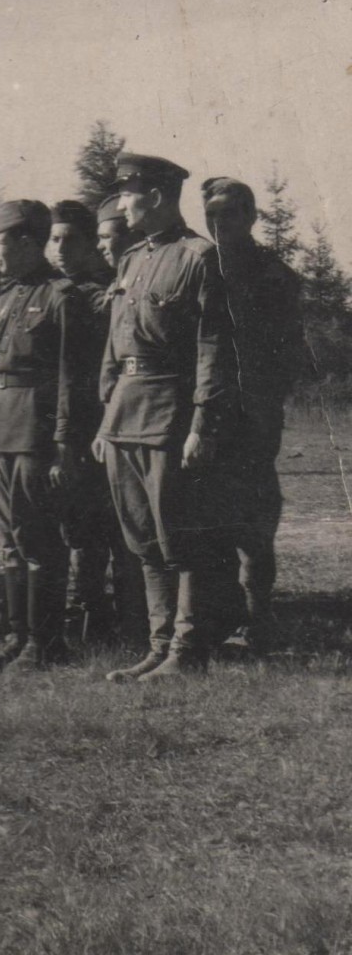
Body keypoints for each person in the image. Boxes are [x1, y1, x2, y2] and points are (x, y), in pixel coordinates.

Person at [96, 154, 237, 681]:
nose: (122, 204)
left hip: (170, 413)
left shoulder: (199, 258)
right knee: (142, 538)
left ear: (154, 196)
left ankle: (188, 649)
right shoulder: (131, 259)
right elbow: (114, 349)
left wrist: (202, 423)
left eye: (129, 194)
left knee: (178, 535)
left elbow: (213, 349)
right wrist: (104, 419)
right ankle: (160, 647)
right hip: (125, 413)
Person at [0, 200, 91, 671]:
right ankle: (17, 636)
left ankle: (46, 642)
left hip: (34, 430)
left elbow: (71, 377)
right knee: (9, 540)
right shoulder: (5, 298)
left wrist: (64, 444)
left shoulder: (62, 296)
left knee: (38, 539)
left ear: (26, 243)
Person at [202, 175, 304, 655]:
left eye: (229, 213)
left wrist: (260, 408)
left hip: (250, 414)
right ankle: (220, 618)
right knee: (207, 518)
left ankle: (258, 619)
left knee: (253, 521)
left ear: (251, 217)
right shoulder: (200, 266)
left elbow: (285, 354)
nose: (219, 223)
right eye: (212, 214)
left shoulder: (272, 275)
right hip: (204, 412)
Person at [47, 199, 143, 643]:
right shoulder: (55, 291)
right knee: (79, 526)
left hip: (112, 419)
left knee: (121, 525)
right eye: (54, 239)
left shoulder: (113, 290)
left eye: (72, 240)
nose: (61, 249)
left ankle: (132, 619)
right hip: (71, 422)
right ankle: (88, 615)